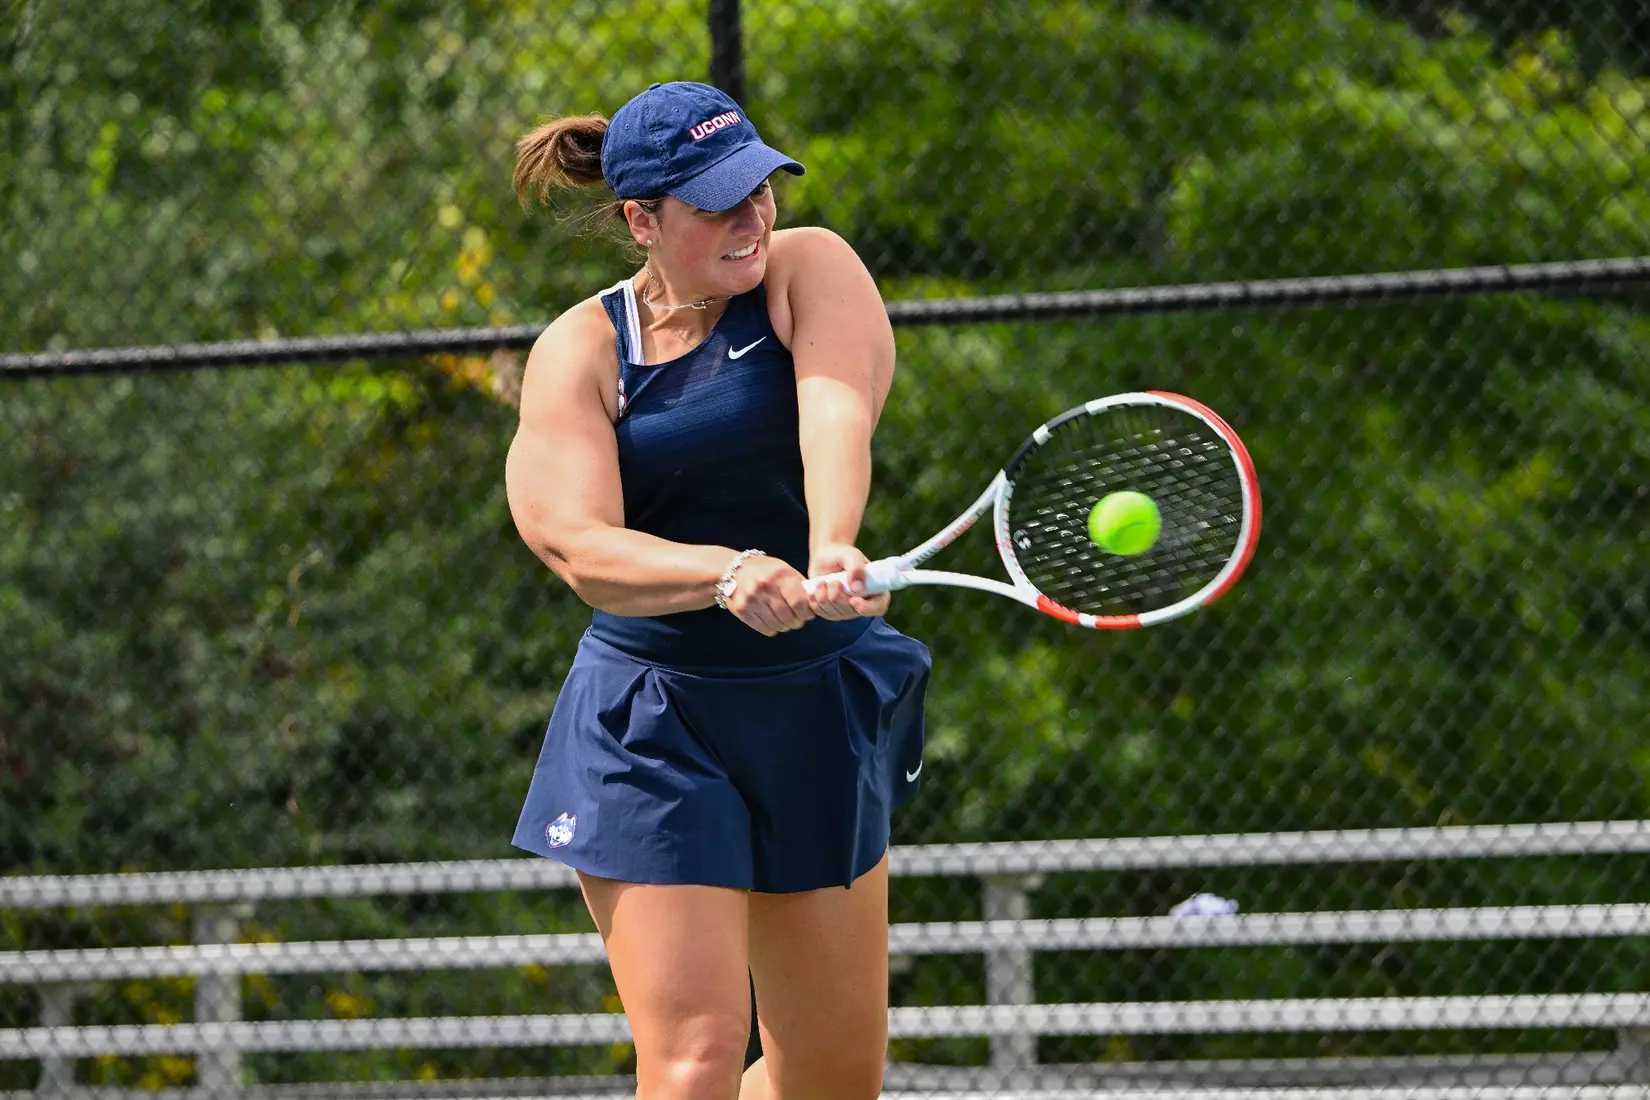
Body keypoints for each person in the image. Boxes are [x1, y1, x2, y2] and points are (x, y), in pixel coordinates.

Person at [503, 80, 931, 1100]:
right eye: (716, 204)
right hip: (654, 718)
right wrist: (724, 569)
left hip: (813, 704)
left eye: (758, 189)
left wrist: (831, 541)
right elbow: (576, 544)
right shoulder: (582, 351)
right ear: (643, 221)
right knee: (695, 1055)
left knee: (828, 1082)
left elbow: (834, 406)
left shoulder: (809, 268)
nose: (753, 217)